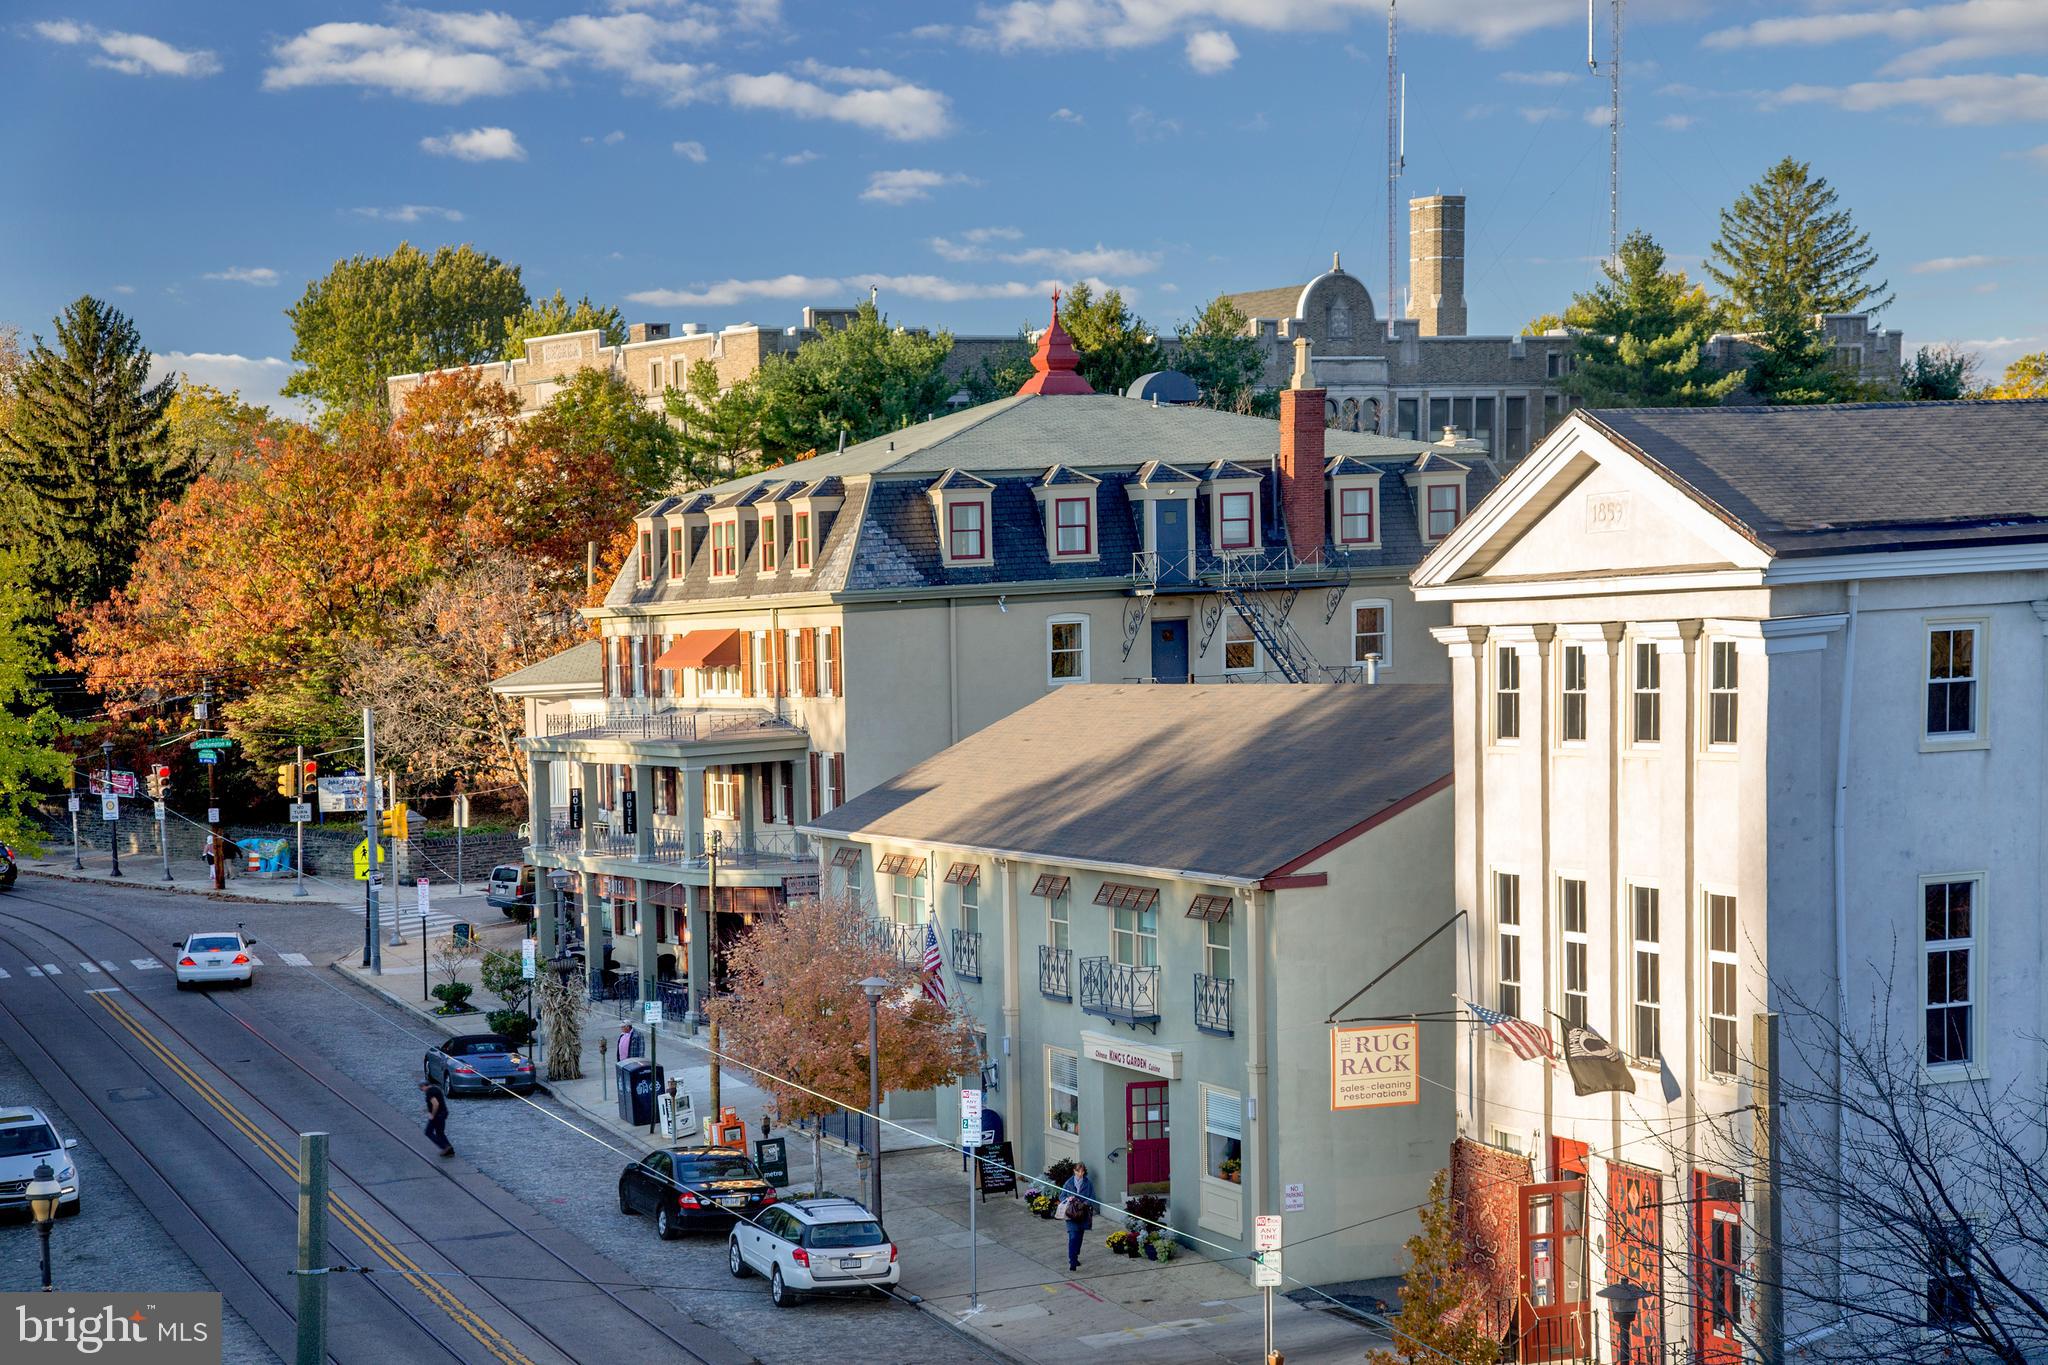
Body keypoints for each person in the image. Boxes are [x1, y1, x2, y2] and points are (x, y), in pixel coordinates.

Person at [1059, 1162, 1095, 1272]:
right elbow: (1062, 1196)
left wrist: (1085, 1203)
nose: (1080, 1173)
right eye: (1078, 1171)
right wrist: (1068, 1199)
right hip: (1071, 1214)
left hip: (1083, 1214)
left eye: (1082, 1171)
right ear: (1074, 1171)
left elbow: (1093, 1197)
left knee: (1079, 1237)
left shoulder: (1088, 1183)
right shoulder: (1068, 1183)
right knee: (1073, 1236)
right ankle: (1072, 1261)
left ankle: (1075, 1254)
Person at [420, 1079, 454, 1158]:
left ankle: (445, 1147)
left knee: (428, 1132)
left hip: (437, 1115)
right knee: (440, 1133)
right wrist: (426, 1109)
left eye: (421, 1088)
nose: (422, 1090)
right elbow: (436, 1103)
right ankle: (450, 1150)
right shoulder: (436, 1089)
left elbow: (436, 1104)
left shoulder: (429, 1092)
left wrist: (432, 1115)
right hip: (443, 1113)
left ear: (424, 1086)